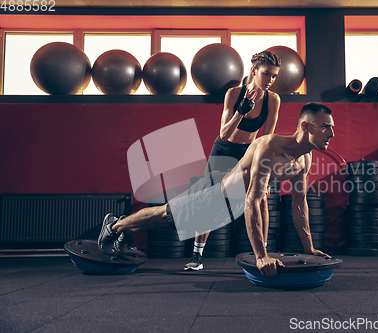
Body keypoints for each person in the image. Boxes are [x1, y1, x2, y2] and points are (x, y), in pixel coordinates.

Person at [98, 102, 334, 277]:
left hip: (233, 205)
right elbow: (253, 199)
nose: (331, 134)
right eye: (325, 127)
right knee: (165, 216)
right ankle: (115, 225)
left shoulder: (304, 159)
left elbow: (299, 204)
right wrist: (261, 257)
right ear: (305, 126)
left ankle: (122, 228)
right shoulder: (269, 146)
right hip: (215, 195)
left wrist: (309, 248)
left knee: (168, 221)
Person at [186, 50, 281, 270]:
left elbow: (266, 140)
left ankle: (263, 254)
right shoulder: (233, 94)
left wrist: (265, 173)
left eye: (274, 76)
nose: (270, 80)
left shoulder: (273, 100)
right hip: (224, 149)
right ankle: (196, 257)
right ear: (254, 71)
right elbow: (224, 134)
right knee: (209, 199)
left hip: (249, 151)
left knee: (261, 197)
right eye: (266, 74)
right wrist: (240, 111)